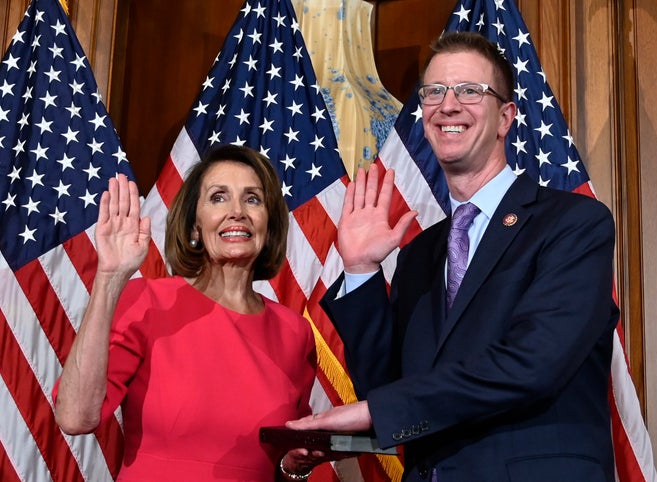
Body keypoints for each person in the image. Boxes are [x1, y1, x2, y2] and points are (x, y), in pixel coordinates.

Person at [287, 31, 619, 481]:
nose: (448, 105)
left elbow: (532, 365)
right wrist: (362, 270)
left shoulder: (574, 224)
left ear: (505, 118)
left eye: (469, 91)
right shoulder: (420, 254)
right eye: (434, 92)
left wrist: (378, 410)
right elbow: (391, 392)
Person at [54, 145, 326, 481]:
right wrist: (109, 278)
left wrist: (293, 467)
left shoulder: (294, 332)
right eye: (218, 197)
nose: (237, 211)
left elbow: (284, 462)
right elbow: (75, 417)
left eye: (253, 199)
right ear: (195, 227)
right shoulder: (149, 302)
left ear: (269, 226)